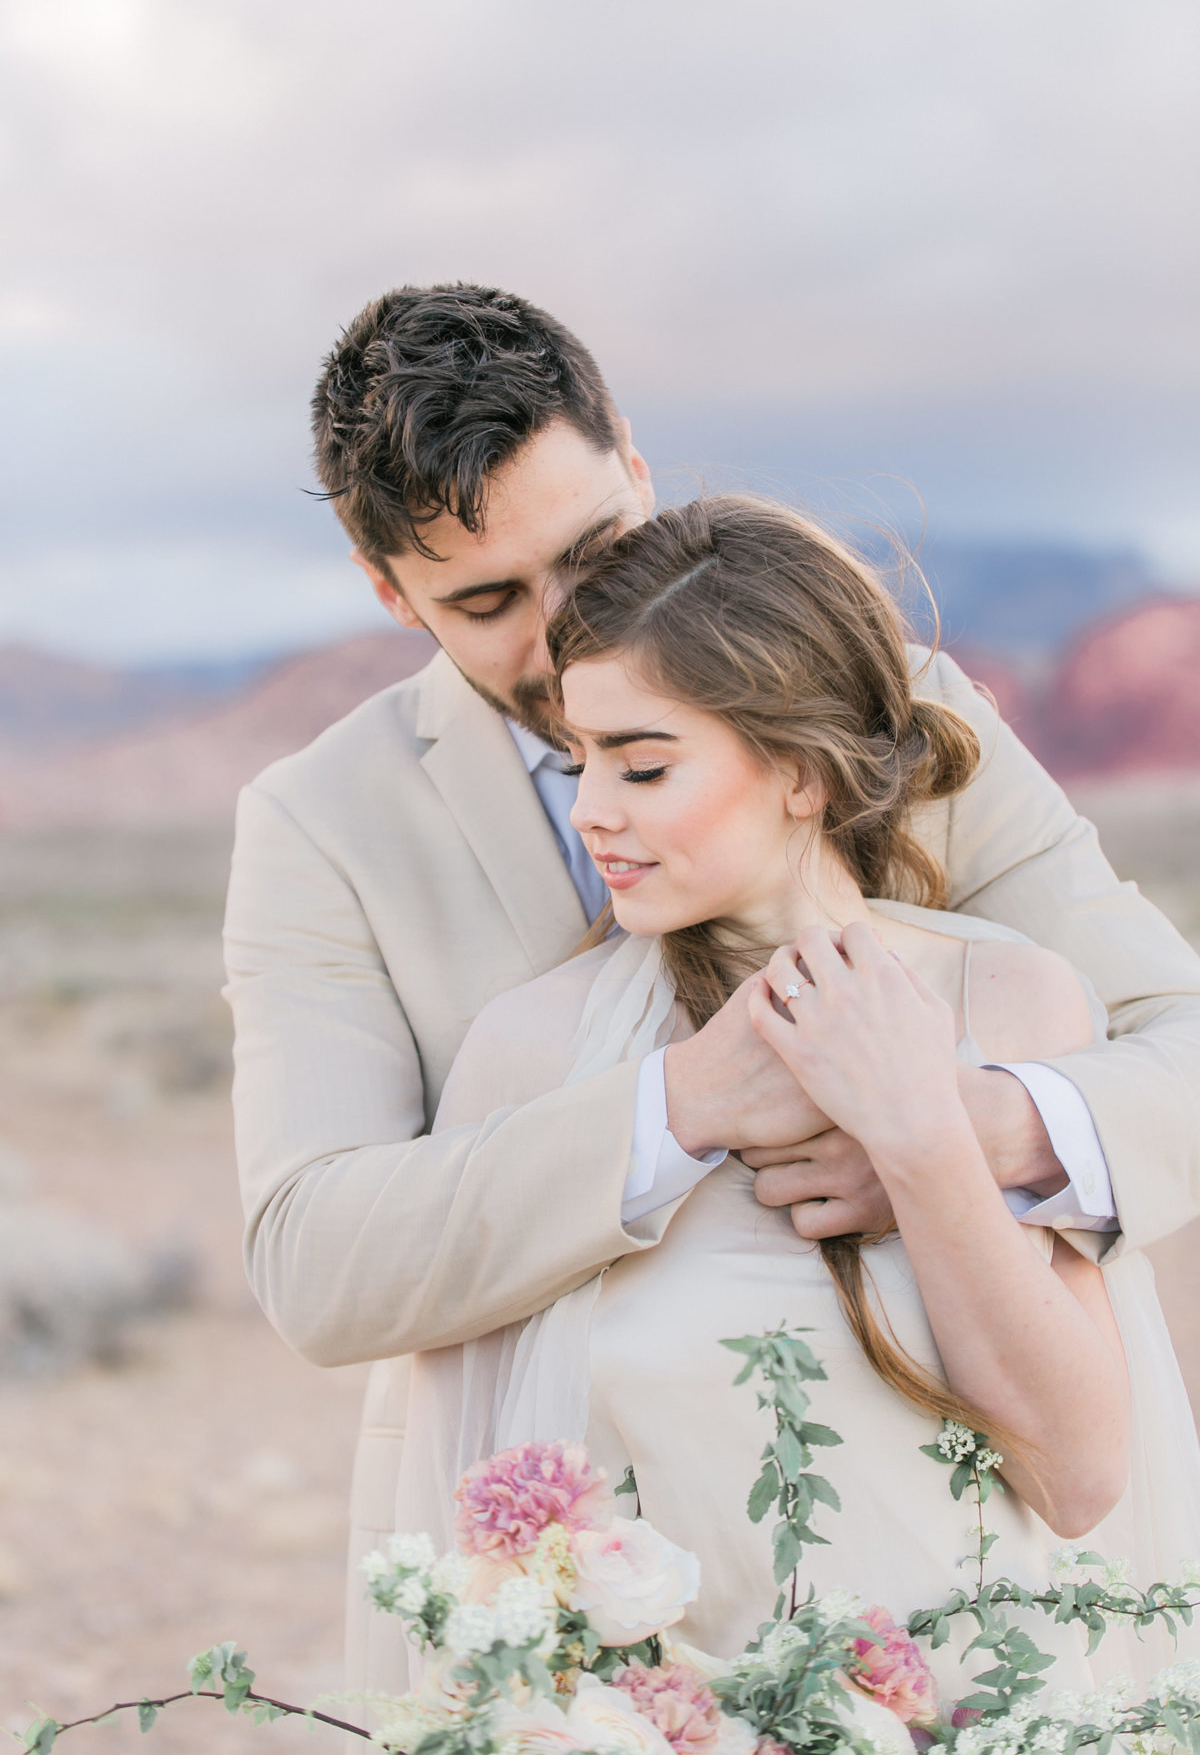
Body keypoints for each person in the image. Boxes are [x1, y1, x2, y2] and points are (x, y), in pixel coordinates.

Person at [221, 284, 1200, 1696]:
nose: (562, 641)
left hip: (956, 1570)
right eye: (489, 602)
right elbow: (315, 1260)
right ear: (390, 594)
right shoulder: (326, 825)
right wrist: (678, 1108)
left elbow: (1179, 1044)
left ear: (639, 468)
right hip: (598, 1628)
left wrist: (942, 1130)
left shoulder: (880, 705)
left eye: (593, 551)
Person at [412, 496, 1200, 1701]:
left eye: (644, 763)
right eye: (583, 761)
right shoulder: (539, 1053)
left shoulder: (1011, 1001)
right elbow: (486, 1517)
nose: (593, 812)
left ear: (797, 770)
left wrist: (924, 1131)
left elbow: (1082, 1474)